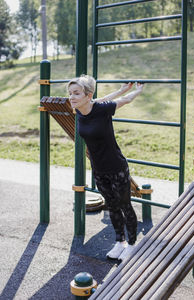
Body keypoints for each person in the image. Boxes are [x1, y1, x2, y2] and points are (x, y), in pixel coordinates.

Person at [67, 75, 143, 261]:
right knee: (112, 206)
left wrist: (135, 91)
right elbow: (97, 100)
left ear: (87, 95)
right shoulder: (81, 111)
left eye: (76, 93)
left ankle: (132, 244)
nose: (72, 97)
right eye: (70, 94)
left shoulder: (102, 109)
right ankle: (120, 242)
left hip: (116, 167)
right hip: (99, 170)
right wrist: (121, 89)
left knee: (125, 205)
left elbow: (123, 101)